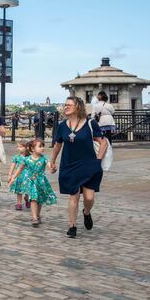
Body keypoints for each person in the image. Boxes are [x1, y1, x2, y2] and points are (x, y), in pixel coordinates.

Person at [50, 97, 107, 238]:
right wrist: (52, 161)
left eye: (69, 105)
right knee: (73, 196)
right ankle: (72, 226)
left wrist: (98, 161)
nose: (65, 107)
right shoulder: (62, 126)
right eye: (65, 105)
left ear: (78, 107)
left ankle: (86, 213)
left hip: (89, 164)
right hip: (69, 165)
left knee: (89, 197)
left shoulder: (90, 123)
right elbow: (58, 145)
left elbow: (103, 143)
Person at [11, 139, 56, 227]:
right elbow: (20, 169)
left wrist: (52, 168)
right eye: (40, 146)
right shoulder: (27, 159)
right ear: (32, 148)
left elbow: (49, 165)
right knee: (33, 198)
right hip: (31, 182)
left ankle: (38, 215)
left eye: (43, 146)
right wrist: (13, 177)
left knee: (39, 200)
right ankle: (34, 217)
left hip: (41, 182)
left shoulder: (44, 158)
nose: (43, 148)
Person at [7, 142, 30, 210]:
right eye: (18, 147)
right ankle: (19, 203)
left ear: (26, 148)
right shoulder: (16, 157)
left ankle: (27, 198)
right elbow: (12, 166)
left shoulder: (29, 157)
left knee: (27, 190)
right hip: (19, 176)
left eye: (20, 147)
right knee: (19, 190)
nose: (18, 148)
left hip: (27, 176)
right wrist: (10, 175)